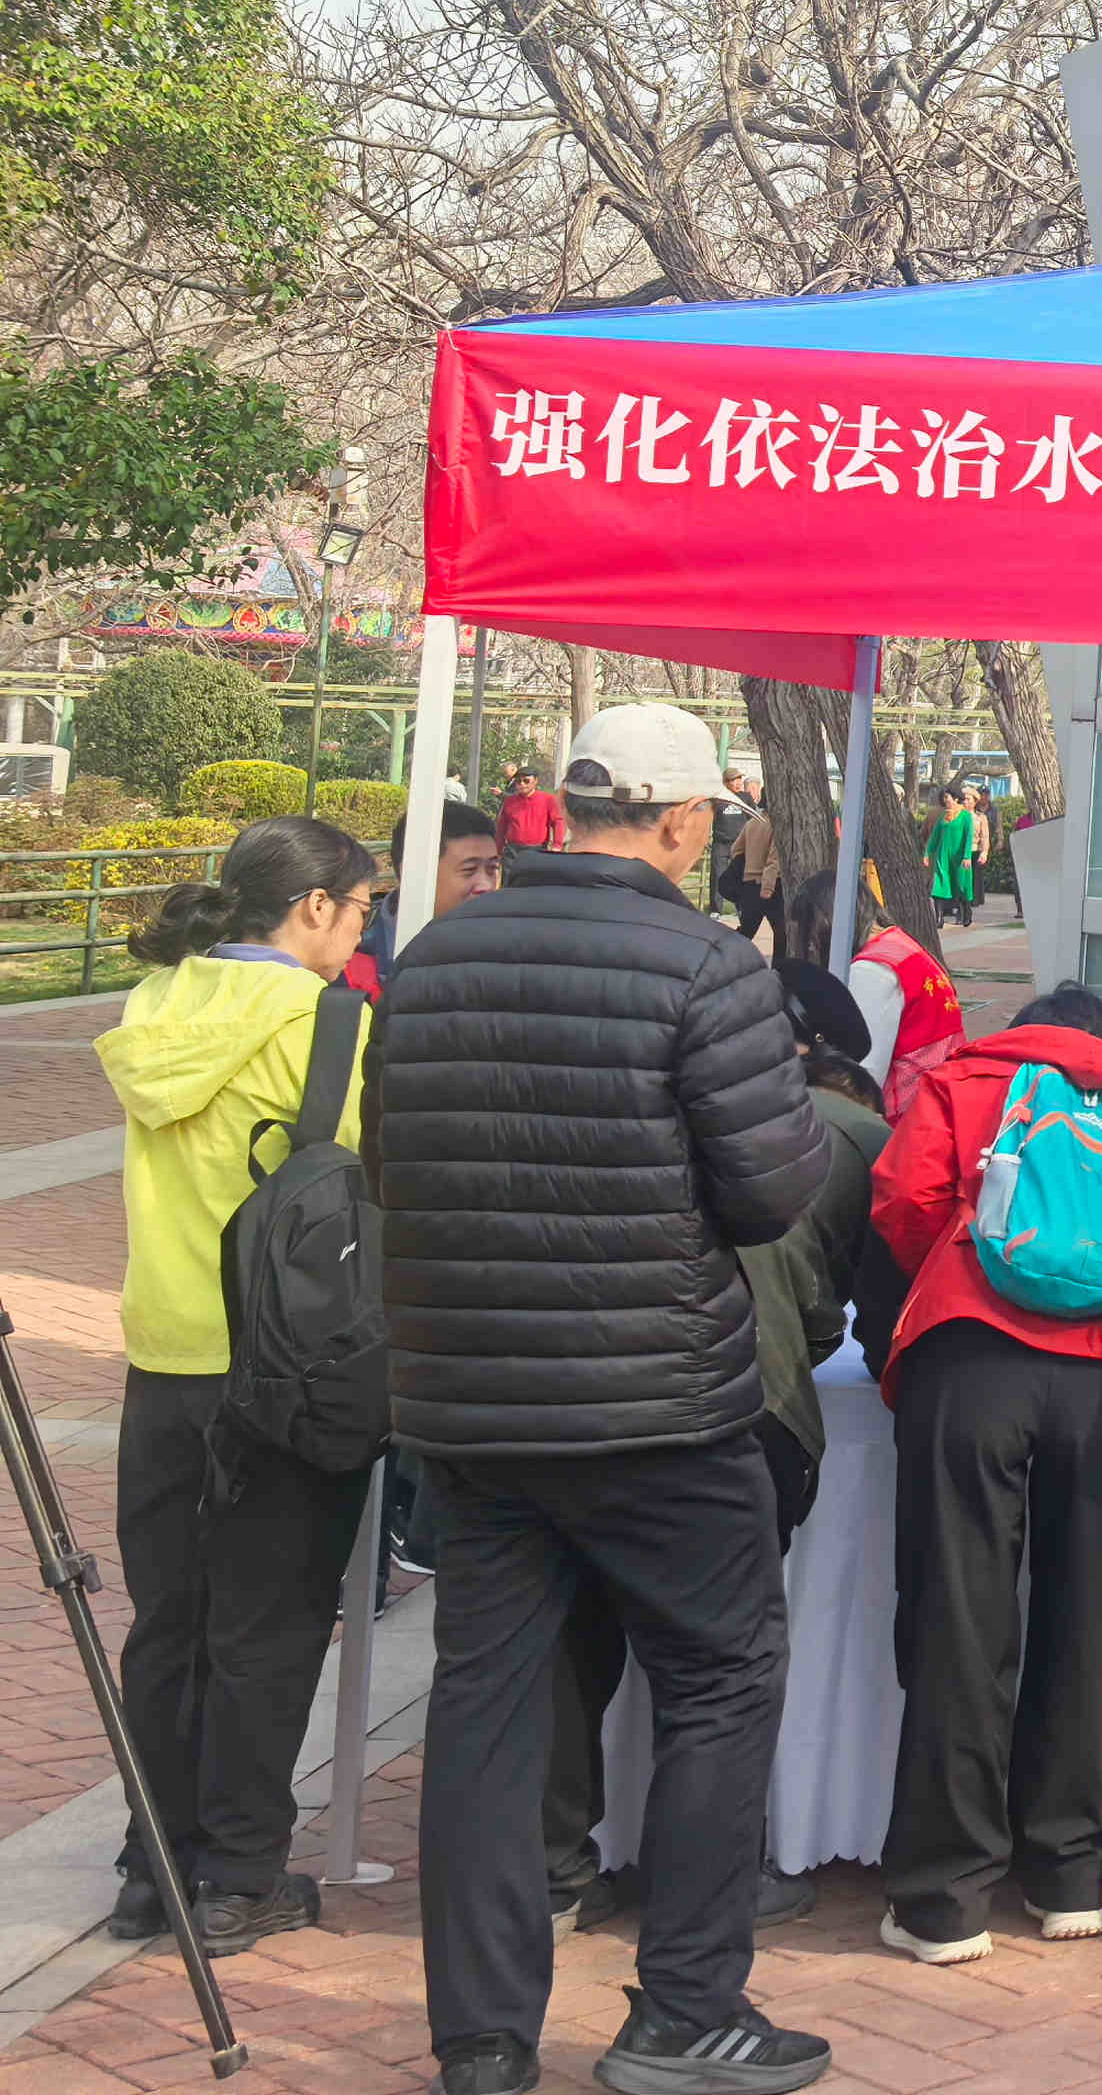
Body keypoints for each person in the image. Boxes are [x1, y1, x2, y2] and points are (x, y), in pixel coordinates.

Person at [373, 703, 836, 2095]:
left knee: (486, 1705)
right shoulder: (706, 965)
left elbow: (390, 1167)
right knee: (722, 1677)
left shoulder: (435, 956)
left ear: (567, 810)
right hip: (656, 1406)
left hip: (469, 1402)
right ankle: (687, 2008)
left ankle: (482, 2038)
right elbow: (772, 1191)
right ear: (685, 823)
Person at [866, 981, 1102, 1961]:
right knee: (1088, 1609)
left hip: (973, 1357)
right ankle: (1071, 1877)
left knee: (960, 1614)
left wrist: (971, 1264)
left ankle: (944, 1901)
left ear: (1025, 1039)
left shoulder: (966, 1080)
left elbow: (904, 1199)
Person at [546, 965, 890, 1938]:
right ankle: (704, 1887)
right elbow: (844, 1312)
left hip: (587, 1404)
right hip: (742, 1411)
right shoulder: (845, 1132)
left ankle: (552, 1869)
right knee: (717, 1669)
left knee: (574, 1639)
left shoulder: (614, 1102)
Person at [94, 817, 383, 1956]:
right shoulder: (328, 1022)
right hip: (285, 1362)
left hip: (162, 1351)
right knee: (268, 1623)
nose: (362, 930)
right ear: (313, 906)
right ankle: (236, 1874)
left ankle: (151, 1866)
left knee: (169, 1621)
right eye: (360, 908)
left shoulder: (154, 1004)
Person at [785, 865, 965, 1116]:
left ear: (826, 923)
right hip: (937, 1099)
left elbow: (863, 1077)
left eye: (813, 935)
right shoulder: (898, 944)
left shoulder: (872, 971)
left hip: (907, 1115)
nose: (814, 946)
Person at [350, 796, 503, 997]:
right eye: (469, 870)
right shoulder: (353, 957)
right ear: (414, 873)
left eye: (492, 868)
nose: (486, 885)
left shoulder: (509, 951)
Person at [726, 786, 780, 951]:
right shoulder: (777, 826)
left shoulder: (752, 823)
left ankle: (725, 956)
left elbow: (735, 850)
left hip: (749, 883)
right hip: (771, 885)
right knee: (781, 935)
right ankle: (779, 967)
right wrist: (768, 887)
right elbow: (774, 859)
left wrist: (747, 866)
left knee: (746, 931)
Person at [926, 784, 981, 933]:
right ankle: (939, 919)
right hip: (943, 856)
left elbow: (968, 837)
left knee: (961, 886)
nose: (945, 800)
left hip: (960, 857)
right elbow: (934, 837)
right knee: (939, 886)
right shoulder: (943, 816)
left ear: (955, 798)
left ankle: (966, 910)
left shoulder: (965, 816)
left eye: (947, 797)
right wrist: (927, 853)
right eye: (944, 798)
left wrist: (967, 856)